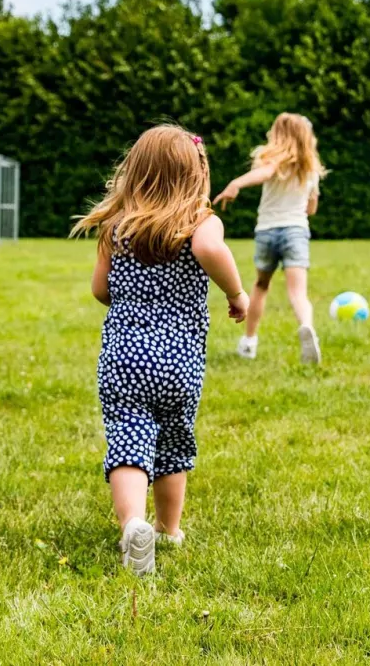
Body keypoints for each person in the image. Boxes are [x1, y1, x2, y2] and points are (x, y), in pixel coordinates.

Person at [71, 125, 251, 576]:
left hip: (123, 357)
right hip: (179, 363)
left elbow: (100, 290)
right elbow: (211, 248)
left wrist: (133, 297)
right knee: (173, 446)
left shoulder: (117, 226)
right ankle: (169, 530)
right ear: (196, 174)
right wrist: (236, 294)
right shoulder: (200, 221)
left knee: (128, 443)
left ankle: (133, 523)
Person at [213, 113, 327, 366]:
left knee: (261, 286)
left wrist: (236, 183)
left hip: (267, 231)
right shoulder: (311, 170)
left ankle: (249, 342)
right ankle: (307, 327)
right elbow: (311, 209)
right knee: (298, 293)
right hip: (296, 231)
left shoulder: (273, 160)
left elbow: (265, 174)